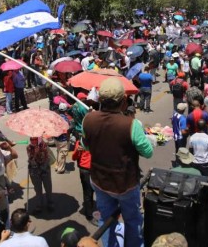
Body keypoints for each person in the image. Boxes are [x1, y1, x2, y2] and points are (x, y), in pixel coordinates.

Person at [82, 77, 153, 247]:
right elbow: (148, 152)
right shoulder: (131, 124)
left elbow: (85, 146)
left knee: (106, 220)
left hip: (99, 180)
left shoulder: (88, 120)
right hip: (125, 184)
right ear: (123, 101)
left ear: (100, 100)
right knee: (133, 220)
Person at [71, 135, 98, 226]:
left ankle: (93, 208)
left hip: (96, 169)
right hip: (85, 171)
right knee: (88, 192)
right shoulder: (80, 141)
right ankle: (89, 215)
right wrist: (78, 151)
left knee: (97, 191)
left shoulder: (96, 140)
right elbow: (73, 157)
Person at [26, 137, 53, 213]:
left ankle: (50, 203)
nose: (33, 141)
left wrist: (39, 152)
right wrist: (35, 154)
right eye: (32, 139)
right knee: (38, 189)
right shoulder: (28, 148)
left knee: (48, 187)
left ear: (38, 139)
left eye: (35, 139)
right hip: (34, 172)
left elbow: (45, 160)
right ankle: (39, 205)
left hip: (45, 171)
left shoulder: (44, 146)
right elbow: (31, 160)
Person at [54, 103, 71, 174]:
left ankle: (57, 166)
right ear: (65, 110)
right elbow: (67, 130)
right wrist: (68, 138)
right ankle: (61, 169)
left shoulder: (56, 117)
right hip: (63, 139)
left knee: (59, 152)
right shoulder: (65, 119)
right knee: (62, 154)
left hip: (56, 138)